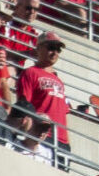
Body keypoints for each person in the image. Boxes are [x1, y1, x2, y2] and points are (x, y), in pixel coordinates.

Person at [13, 35, 73, 164]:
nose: (55, 52)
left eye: (58, 49)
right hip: (42, 134)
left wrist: (67, 141)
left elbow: (63, 113)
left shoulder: (59, 81)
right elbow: (24, 105)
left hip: (62, 140)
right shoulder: (30, 73)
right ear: (39, 48)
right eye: (51, 48)